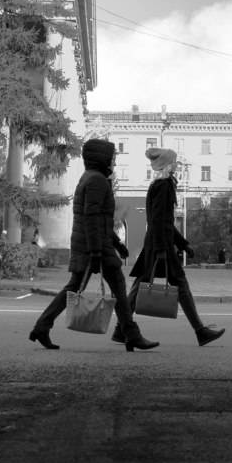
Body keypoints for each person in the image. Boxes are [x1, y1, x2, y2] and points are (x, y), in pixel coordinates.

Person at [29, 136, 158, 352]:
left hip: (92, 244)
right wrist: (97, 252)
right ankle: (130, 334)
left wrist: (117, 243)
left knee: (77, 287)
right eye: (112, 157)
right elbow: (92, 217)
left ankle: (42, 327)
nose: (114, 161)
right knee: (114, 286)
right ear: (101, 158)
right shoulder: (97, 180)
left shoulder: (90, 177)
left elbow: (100, 219)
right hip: (94, 247)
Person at [115, 147, 225, 347]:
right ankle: (200, 331)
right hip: (161, 244)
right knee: (180, 285)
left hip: (156, 242)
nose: (177, 164)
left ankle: (121, 329)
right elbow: (160, 220)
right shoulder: (164, 185)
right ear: (167, 164)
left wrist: (182, 243)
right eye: (174, 161)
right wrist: (163, 248)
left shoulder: (158, 184)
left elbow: (163, 221)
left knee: (141, 284)